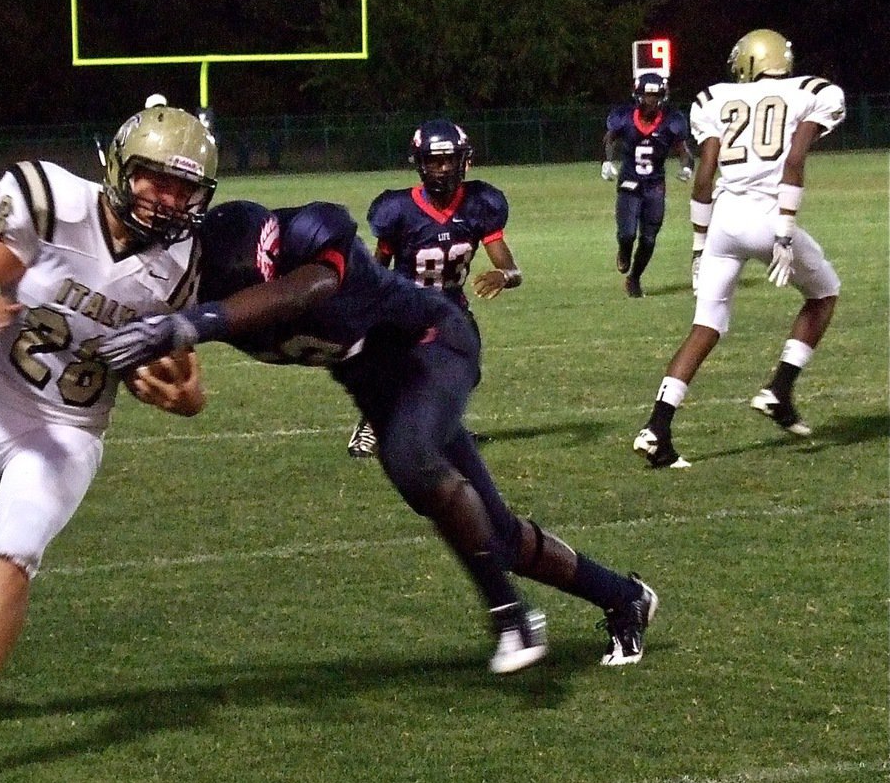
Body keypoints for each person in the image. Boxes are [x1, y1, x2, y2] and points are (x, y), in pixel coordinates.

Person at [96, 199, 658, 673]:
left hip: (432, 342)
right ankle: (624, 597)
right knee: (497, 534)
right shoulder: (204, 291)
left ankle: (513, 618)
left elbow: (300, 292)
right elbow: (171, 354)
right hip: (382, 388)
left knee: (410, 459)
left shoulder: (312, 240)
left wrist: (198, 324)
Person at [0, 105, 218, 778]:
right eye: (157, 180)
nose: (171, 200)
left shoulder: (180, 260)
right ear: (123, 168)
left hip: (70, 429)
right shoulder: (54, 204)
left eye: (186, 189)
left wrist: (185, 397)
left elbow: (190, 381)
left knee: (18, 547)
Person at [632, 29, 846, 469]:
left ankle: (657, 427)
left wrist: (697, 245)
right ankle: (780, 388)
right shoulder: (810, 92)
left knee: (706, 325)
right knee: (824, 293)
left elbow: (706, 172)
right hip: (768, 217)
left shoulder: (716, 98)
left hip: (724, 222)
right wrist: (784, 232)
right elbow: (793, 162)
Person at [346, 119, 523, 458]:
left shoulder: (480, 204)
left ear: (463, 160)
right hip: (405, 304)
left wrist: (506, 276)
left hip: (450, 306)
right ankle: (372, 423)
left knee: (467, 372)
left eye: (449, 160)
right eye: (434, 161)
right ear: (420, 163)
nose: (442, 169)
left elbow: (511, 267)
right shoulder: (398, 210)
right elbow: (377, 264)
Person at [601, 72, 695, 297]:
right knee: (627, 235)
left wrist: (687, 167)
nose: (651, 101)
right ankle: (624, 251)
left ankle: (634, 278)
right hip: (630, 181)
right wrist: (607, 160)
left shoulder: (672, 121)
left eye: (655, 96)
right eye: (647, 95)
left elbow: (684, 150)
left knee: (649, 238)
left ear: (663, 96)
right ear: (638, 95)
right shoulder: (624, 117)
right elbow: (609, 139)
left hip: (655, 185)